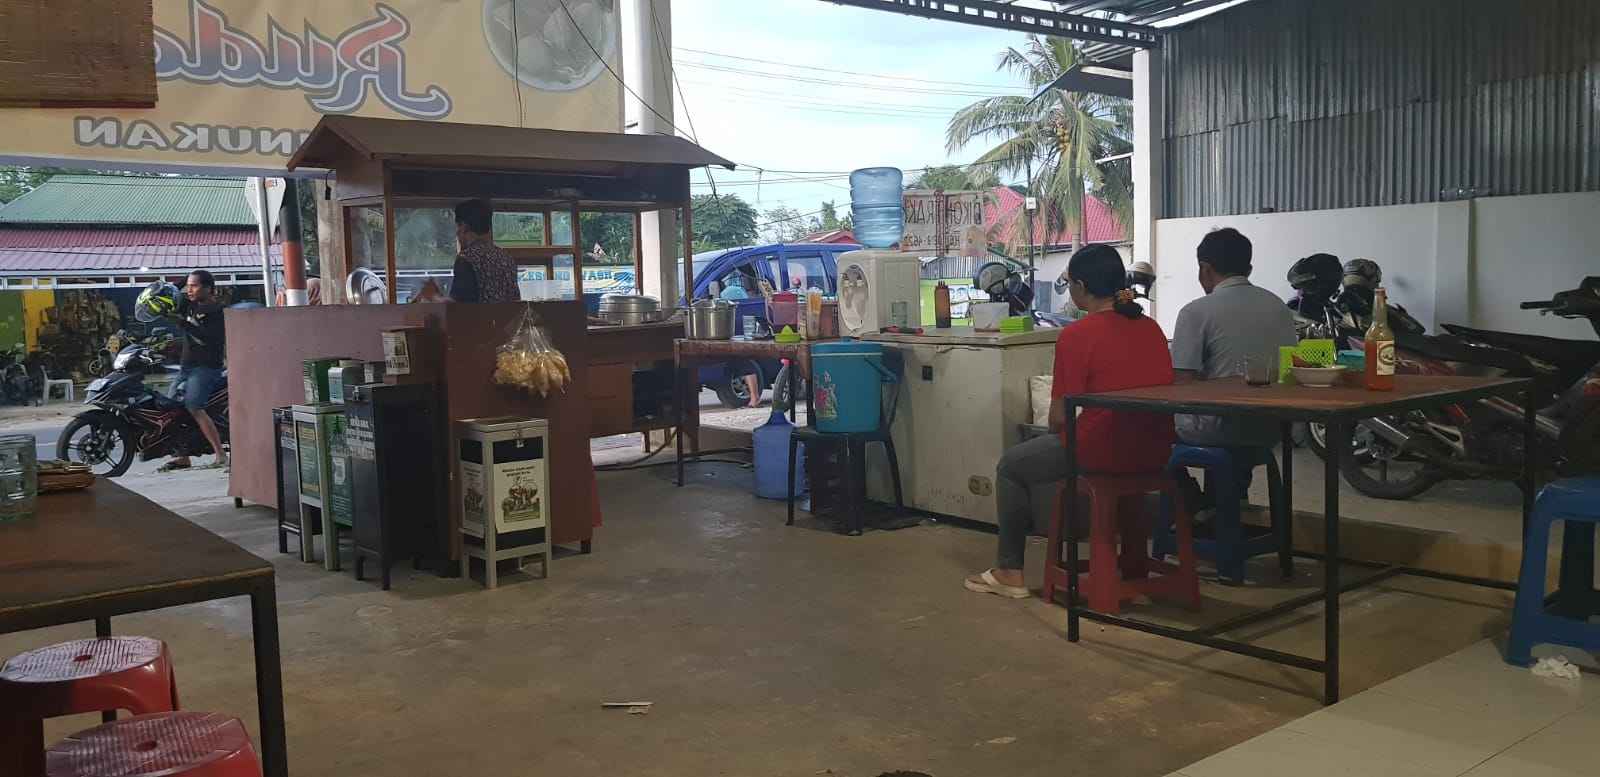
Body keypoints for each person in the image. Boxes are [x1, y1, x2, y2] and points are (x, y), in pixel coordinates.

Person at [965, 245, 1176, 598]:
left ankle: (1009, 572)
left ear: (1080, 287)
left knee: (1011, 467)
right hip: (1155, 451)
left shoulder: (1077, 335)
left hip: (1100, 451)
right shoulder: (1151, 328)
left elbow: (1059, 417)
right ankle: (1131, 562)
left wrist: (1053, 436)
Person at [1169, 228, 1297, 513]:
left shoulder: (1196, 311)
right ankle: (1228, 505)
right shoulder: (1278, 306)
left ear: (1205, 269)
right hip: (1270, 429)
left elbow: (1182, 383)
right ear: (1248, 269)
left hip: (1218, 430)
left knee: (1140, 426)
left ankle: (1191, 501)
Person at [161, 270, 229, 471]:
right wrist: (187, 277)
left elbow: (210, 338)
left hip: (206, 367)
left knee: (193, 406)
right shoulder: (189, 304)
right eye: (188, 286)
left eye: (194, 286)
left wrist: (183, 323)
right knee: (171, 408)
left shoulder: (218, 311)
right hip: (186, 366)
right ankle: (182, 456)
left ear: (208, 289)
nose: (189, 290)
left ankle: (220, 455)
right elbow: (170, 290)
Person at [420, 199, 518, 303]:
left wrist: (433, 296)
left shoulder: (467, 259)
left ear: (464, 227)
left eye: (458, 227)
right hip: (508, 314)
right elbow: (515, 300)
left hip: (480, 315)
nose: (457, 233)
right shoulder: (506, 258)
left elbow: (458, 307)